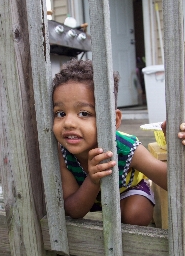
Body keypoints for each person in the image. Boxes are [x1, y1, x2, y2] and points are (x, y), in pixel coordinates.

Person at [52, 59, 167, 226]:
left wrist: (177, 146)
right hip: (86, 196)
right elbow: (73, 210)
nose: (68, 123)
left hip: (125, 191)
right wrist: (92, 180)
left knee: (135, 215)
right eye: (60, 113)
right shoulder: (63, 152)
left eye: (84, 113)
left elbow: (172, 182)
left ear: (114, 119)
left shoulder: (127, 148)